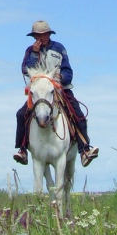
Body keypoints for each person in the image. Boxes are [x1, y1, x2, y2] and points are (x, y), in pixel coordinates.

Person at [14, 20, 99, 168]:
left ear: (48, 34)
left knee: (78, 113)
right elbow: (25, 69)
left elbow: (68, 71)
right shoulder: (30, 50)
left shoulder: (59, 48)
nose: (41, 37)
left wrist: (61, 78)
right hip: (39, 92)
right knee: (21, 115)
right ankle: (22, 149)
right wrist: (34, 53)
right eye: (37, 35)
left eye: (43, 34)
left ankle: (84, 150)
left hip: (60, 89)